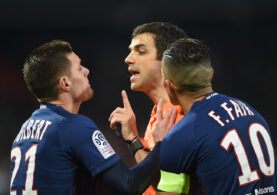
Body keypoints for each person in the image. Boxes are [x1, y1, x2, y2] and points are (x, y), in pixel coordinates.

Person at [9, 40, 176, 194]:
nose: (87, 71)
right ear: (65, 83)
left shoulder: (25, 129)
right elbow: (130, 185)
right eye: (80, 68)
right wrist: (160, 143)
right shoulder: (73, 126)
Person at [152, 37, 277, 194]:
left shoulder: (182, 135)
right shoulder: (253, 113)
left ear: (169, 85)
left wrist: (159, 148)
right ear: (211, 75)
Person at [109, 22, 191, 195]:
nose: (128, 58)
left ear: (167, 61)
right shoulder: (159, 112)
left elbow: (168, 188)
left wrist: (133, 139)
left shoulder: (182, 114)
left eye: (141, 51)